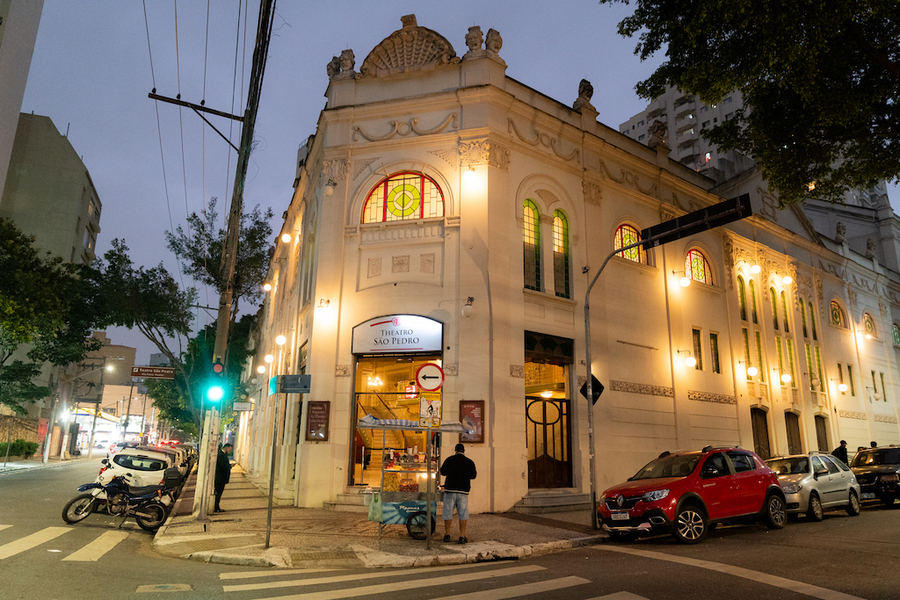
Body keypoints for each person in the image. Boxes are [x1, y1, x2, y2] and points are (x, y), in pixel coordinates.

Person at [440, 442, 477, 544]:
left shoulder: (449, 459)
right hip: (463, 492)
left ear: (455, 451)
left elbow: (442, 471)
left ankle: (447, 535)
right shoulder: (469, 462)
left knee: (448, 512)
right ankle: (462, 536)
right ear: (464, 451)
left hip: (450, 490)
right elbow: (473, 476)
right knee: (463, 514)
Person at [214, 443, 233, 513]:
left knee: (219, 493)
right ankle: (216, 507)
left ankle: (216, 506)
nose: (230, 451)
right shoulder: (221, 455)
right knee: (218, 493)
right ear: (226, 447)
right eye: (230, 449)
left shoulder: (223, 454)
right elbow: (223, 465)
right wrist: (230, 466)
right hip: (220, 478)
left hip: (221, 478)